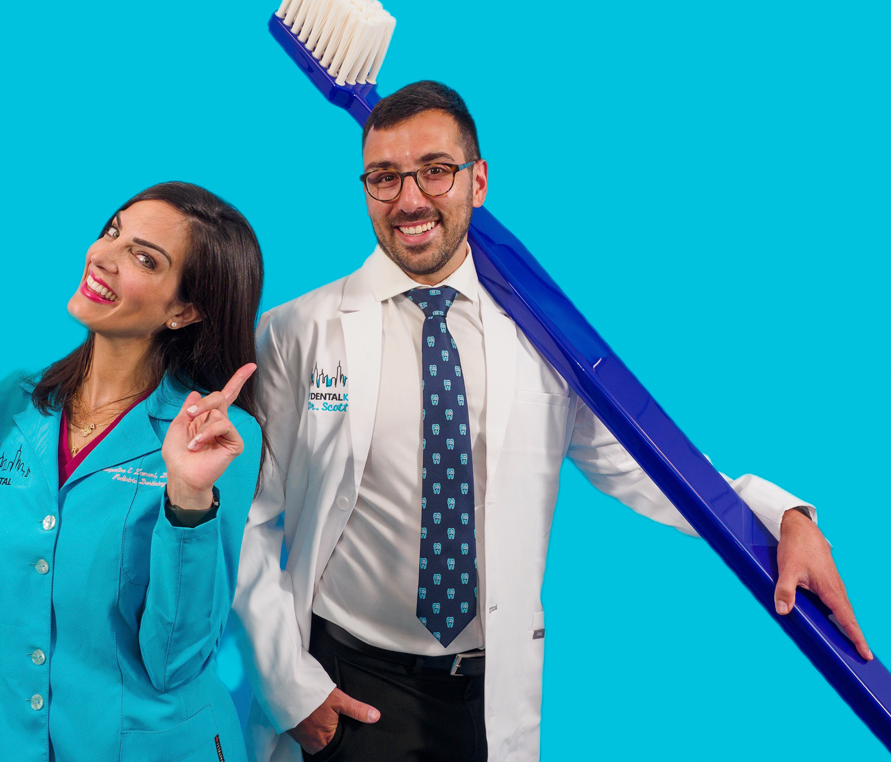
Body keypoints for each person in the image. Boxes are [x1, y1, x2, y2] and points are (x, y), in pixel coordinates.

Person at [232, 82, 872, 762]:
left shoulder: (545, 342)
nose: (410, 200)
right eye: (384, 178)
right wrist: (290, 689)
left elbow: (652, 468)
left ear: (478, 181)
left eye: (436, 171)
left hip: (487, 690)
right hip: (350, 682)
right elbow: (251, 521)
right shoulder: (298, 332)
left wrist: (784, 517)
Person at [0, 181, 264, 762]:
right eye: (112, 232)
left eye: (144, 258)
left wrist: (189, 495)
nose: (104, 256)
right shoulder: (16, 400)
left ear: (184, 309)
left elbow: (177, 662)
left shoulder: (214, 436)